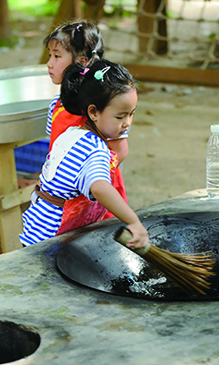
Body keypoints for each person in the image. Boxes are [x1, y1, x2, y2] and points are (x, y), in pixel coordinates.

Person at [20, 60, 149, 250]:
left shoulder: (72, 134)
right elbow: (100, 188)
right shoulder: (95, 149)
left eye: (131, 114)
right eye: (120, 117)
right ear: (94, 112)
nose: (127, 122)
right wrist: (133, 221)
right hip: (49, 242)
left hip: (35, 231)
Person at [44, 20, 129, 233]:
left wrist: (93, 179)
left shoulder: (99, 107)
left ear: (81, 62)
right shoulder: (56, 105)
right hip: (69, 197)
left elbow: (120, 149)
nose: (49, 63)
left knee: (104, 241)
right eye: (49, 55)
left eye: (56, 56)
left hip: (98, 193)